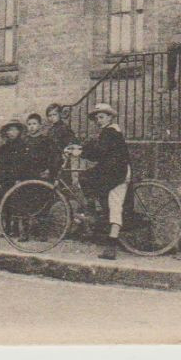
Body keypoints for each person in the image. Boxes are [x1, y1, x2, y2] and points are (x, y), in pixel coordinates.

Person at [70, 102, 130, 260]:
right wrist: (82, 149)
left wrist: (81, 153)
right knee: (86, 178)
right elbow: (97, 147)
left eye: (102, 117)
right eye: (97, 118)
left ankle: (111, 246)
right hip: (109, 170)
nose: (99, 120)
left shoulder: (111, 132)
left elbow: (99, 151)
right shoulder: (107, 132)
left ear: (110, 117)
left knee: (115, 205)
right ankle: (96, 212)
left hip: (118, 172)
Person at [0, 119, 30, 200]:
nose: (12, 132)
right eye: (9, 130)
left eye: (14, 130)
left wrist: (19, 179)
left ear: (19, 131)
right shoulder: (3, 148)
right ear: (6, 132)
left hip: (19, 179)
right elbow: (2, 166)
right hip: (6, 179)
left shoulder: (23, 146)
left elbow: (24, 165)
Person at [43, 103, 75, 174]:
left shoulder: (64, 128)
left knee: (61, 179)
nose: (52, 117)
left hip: (61, 158)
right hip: (52, 158)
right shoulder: (51, 130)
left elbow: (71, 142)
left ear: (60, 114)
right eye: (49, 115)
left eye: (54, 114)